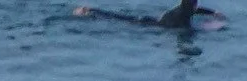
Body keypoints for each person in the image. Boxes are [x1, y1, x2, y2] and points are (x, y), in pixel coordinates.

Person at [72, 0, 220, 28]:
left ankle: (90, 10)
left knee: (120, 18)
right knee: (117, 19)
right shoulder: (183, 14)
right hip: (151, 26)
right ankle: (89, 11)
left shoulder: (184, 9)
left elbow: (195, 10)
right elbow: (194, 11)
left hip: (152, 21)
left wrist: (213, 12)